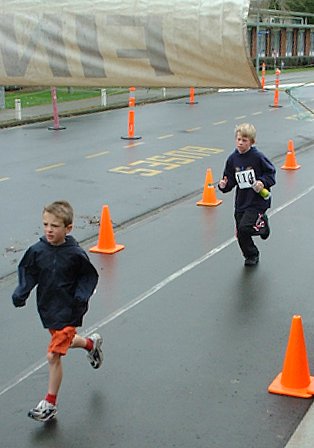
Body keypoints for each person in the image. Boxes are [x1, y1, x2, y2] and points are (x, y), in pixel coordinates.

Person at [12, 200, 102, 422]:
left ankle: (50, 404)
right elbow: (29, 272)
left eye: (55, 226)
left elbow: (88, 276)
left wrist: (81, 297)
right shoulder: (38, 250)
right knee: (64, 343)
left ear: (68, 228)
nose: (49, 230)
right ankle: (91, 344)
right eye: (46, 224)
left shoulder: (74, 254)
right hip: (48, 309)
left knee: (53, 355)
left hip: (70, 310)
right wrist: (21, 292)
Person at [218, 123, 276, 266]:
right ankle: (251, 255)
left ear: (252, 142)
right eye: (238, 139)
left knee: (244, 227)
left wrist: (262, 182)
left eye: (244, 140)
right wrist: (223, 186)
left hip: (257, 201)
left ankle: (262, 226)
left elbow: (271, 173)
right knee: (240, 232)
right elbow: (230, 179)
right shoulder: (232, 159)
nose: (240, 143)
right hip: (241, 201)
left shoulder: (258, 157)